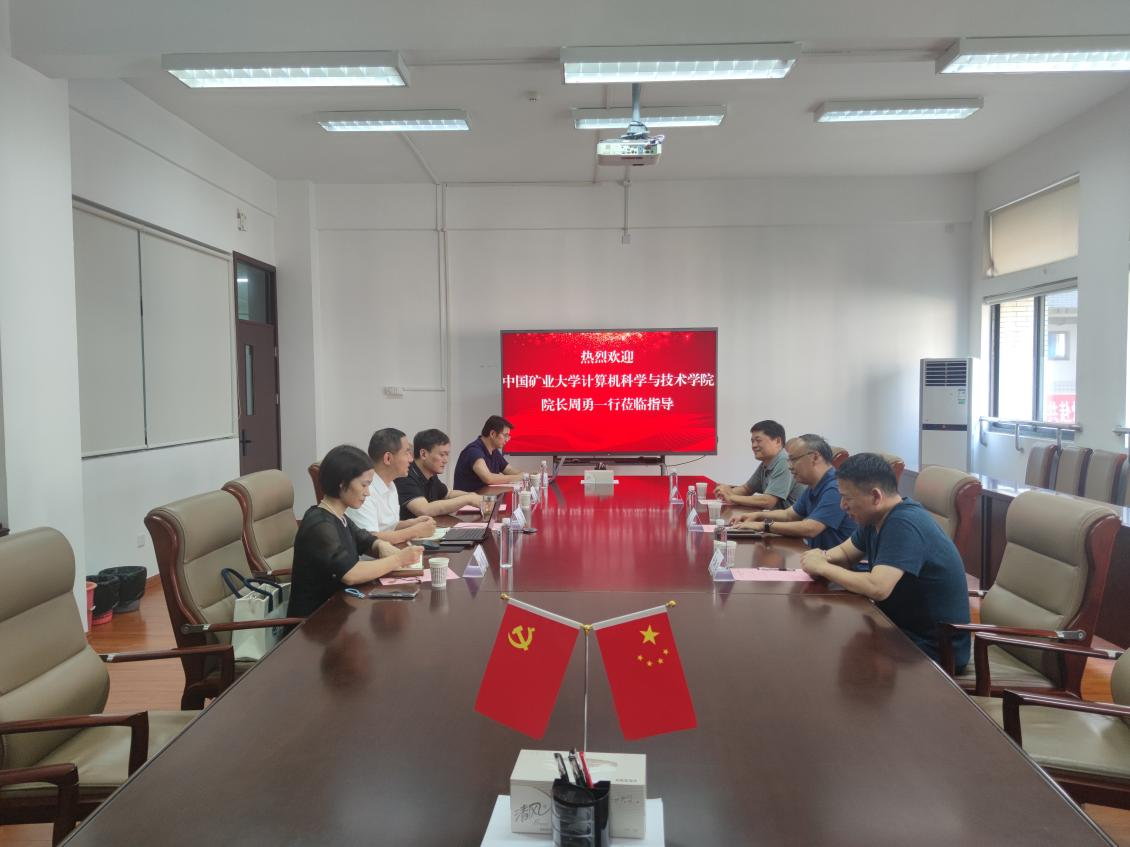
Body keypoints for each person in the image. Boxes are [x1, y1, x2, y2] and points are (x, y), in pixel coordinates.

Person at [799, 453, 972, 671]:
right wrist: (821, 557)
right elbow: (845, 552)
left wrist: (823, 566)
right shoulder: (875, 518)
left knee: (826, 655)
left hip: (934, 647)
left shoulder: (904, 523)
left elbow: (878, 587)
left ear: (875, 496)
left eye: (847, 498)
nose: (842, 506)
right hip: (899, 629)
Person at [289, 445, 423, 618]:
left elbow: (365, 540)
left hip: (340, 610)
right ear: (342, 483)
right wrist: (398, 559)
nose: (368, 493)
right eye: (364, 485)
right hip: (314, 622)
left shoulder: (339, 516)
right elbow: (351, 574)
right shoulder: (319, 525)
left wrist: (381, 546)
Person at [729, 434, 856, 549]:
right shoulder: (813, 485)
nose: (789, 466)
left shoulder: (835, 487)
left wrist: (764, 525)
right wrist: (757, 515)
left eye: (793, 459)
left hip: (839, 563)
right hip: (818, 556)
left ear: (815, 457)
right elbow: (788, 515)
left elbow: (811, 528)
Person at [346, 427, 436, 543]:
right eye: (406, 453)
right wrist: (415, 531)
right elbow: (369, 539)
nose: (411, 459)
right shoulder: (364, 490)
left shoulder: (391, 484)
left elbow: (387, 527)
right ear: (388, 458)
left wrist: (412, 523)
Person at [714, 419, 804, 509]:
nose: (754, 445)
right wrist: (724, 493)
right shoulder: (767, 462)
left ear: (777, 441)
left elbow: (768, 501)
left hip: (792, 517)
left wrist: (731, 497)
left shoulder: (784, 461)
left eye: (758, 440)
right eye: (752, 441)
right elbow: (747, 489)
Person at [399, 428, 484, 519]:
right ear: (423, 454)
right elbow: (424, 510)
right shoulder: (405, 475)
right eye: (442, 455)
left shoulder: (431, 474)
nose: (446, 460)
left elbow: (447, 494)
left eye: (447, 455)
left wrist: (472, 495)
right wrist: (468, 499)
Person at [452, 415, 523, 492]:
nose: (507, 440)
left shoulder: (494, 451)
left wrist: (525, 475)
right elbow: (488, 478)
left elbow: (508, 469)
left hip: (484, 497)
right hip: (468, 499)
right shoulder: (473, 451)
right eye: (505, 435)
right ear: (492, 434)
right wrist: (518, 477)